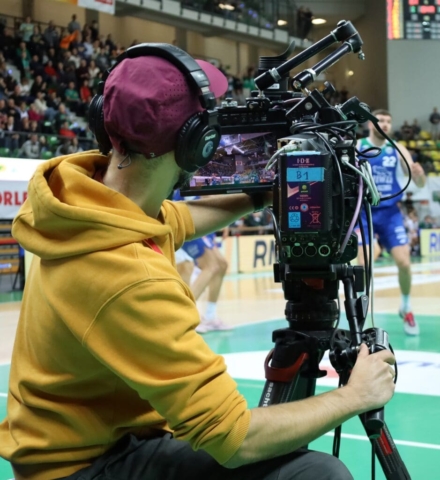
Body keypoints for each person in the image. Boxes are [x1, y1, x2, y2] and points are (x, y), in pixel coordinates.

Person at [0, 44, 396, 480]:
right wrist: (356, 395)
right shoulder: (127, 275)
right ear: (196, 142)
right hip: (84, 467)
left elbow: (181, 219)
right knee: (317, 473)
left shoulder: (89, 203)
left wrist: (261, 194)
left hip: (83, 442)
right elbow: (234, 438)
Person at [356, 109, 426, 335]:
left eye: (388, 121)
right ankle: (360, 312)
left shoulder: (397, 148)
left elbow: (420, 183)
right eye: (380, 121)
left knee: (404, 263)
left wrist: (419, 175)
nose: (385, 124)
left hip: (390, 213)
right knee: (364, 264)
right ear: (370, 124)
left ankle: (406, 306)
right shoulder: (357, 146)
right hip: (365, 211)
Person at [173, 191, 231, 333]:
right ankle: (184, 316)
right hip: (188, 222)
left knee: (222, 265)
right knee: (211, 266)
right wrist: (229, 214)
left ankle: (210, 316)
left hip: (200, 222)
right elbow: (210, 197)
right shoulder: (195, 180)